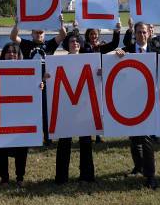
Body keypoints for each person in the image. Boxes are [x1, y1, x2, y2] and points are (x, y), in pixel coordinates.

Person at [115, 21, 160, 189]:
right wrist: (117, 55)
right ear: (134, 34)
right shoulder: (126, 52)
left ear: (149, 33)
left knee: (146, 138)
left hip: (149, 100)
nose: (141, 35)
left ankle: (151, 175)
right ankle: (138, 167)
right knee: (134, 137)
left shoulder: (157, 52)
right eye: (138, 32)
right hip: (131, 100)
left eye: (144, 32)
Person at [0, 42, 39, 187]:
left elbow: (32, 91)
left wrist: (39, 86)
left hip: (20, 115)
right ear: (3, 54)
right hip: (2, 115)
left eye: (15, 52)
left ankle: (20, 178)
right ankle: (4, 179)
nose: (11, 54)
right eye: (9, 51)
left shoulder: (27, 71)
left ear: (19, 56)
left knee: (21, 147)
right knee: (1, 147)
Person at [10, 14, 66, 143]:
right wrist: (17, 24)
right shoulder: (26, 44)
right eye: (36, 33)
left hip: (47, 82)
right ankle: (30, 136)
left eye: (41, 33)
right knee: (31, 110)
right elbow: (13, 37)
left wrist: (60, 23)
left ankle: (47, 138)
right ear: (32, 34)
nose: (39, 35)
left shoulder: (50, 44)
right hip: (30, 82)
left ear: (44, 34)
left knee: (46, 111)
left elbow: (63, 35)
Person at [53, 31, 96, 184]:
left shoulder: (90, 61)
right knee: (64, 142)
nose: (75, 43)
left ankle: (87, 175)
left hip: (84, 106)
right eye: (72, 41)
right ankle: (61, 177)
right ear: (67, 45)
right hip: (66, 106)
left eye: (77, 41)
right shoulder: (59, 62)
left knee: (85, 141)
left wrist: (99, 73)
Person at [77, 20, 122, 143]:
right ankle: (88, 132)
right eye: (91, 34)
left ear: (98, 35)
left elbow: (114, 44)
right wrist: (75, 28)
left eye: (95, 34)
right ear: (87, 35)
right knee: (87, 108)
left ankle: (98, 135)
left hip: (99, 82)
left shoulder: (101, 47)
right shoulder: (83, 47)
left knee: (99, 108)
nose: (93, 36)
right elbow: (73, 43)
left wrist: (117, 31)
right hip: (85, 82)